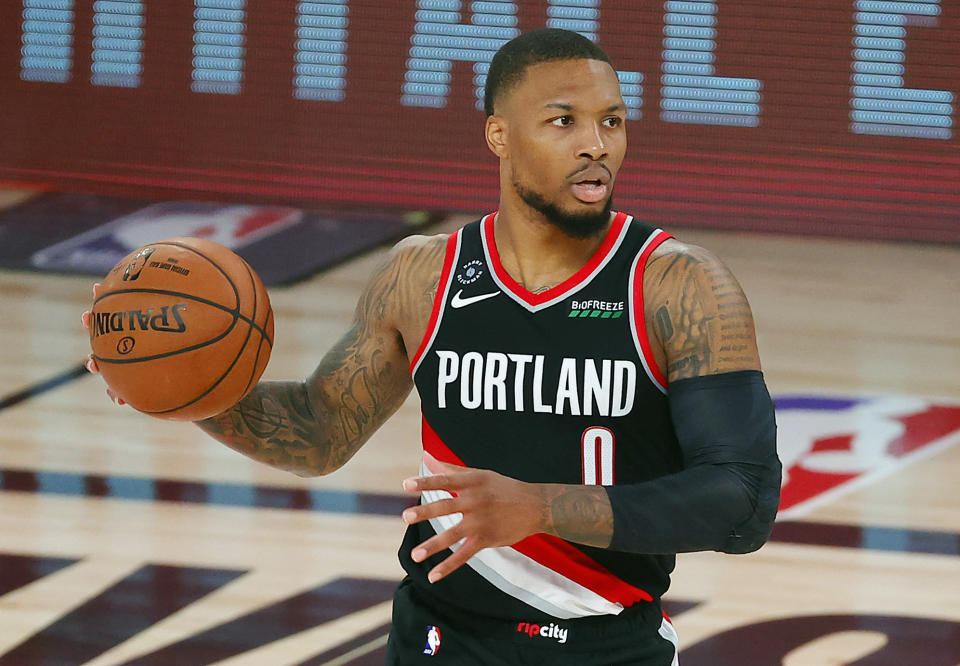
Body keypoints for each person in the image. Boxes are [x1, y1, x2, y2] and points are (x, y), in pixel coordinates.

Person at [83, 29, 781, 666]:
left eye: (612, 121)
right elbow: (318, 433)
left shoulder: (676, 285)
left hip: (605, 648)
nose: (596, 143)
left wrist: (541, 508)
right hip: (437, 640)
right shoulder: (423, 277)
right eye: (564, 121)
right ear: (500, 136)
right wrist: (179, 390)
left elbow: (745, 502)